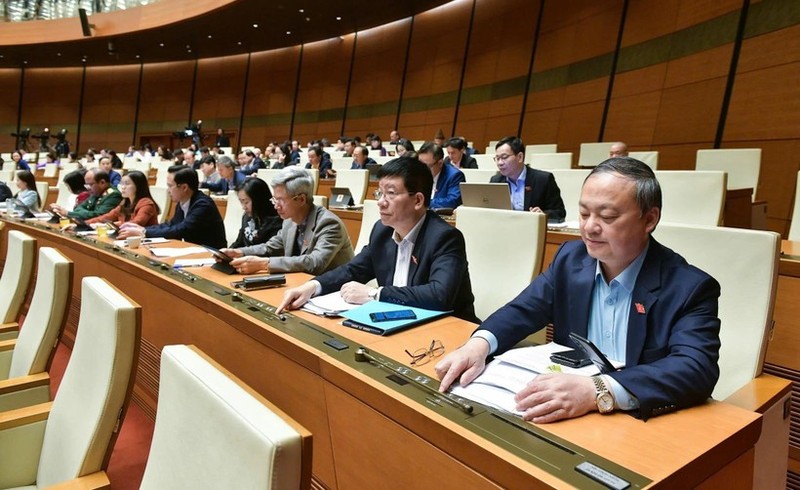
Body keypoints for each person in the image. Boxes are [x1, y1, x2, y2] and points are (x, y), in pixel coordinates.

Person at [436, 157, 722, 423]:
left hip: (638, 417)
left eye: (607, 217)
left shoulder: (688, 287)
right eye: (584, 214)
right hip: (568, 414)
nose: (590, 228)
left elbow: (695, 368)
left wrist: (597, 390)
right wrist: (479, 345)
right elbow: (524, 308)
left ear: (649, 220)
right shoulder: (571, 260)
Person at [276, 156, 478, 323]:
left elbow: (439, 295)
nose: (380, 202)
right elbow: (353, 270)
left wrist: (375, 295)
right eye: (379, 193)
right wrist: (312, 287)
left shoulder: (444, 237)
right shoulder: (382, 231)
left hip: (447, 329)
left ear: (418, 200)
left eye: (390, 193)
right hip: (395, 323)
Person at [221, 167, 354, 274]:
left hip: (336, 292)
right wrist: (239, 252)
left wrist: (264, 263)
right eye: (274, 199)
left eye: (281, 200)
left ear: (301, 199)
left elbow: (315, 263)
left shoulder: (329, 224)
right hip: (301, 286)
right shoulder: (289, 221)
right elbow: (270, 247)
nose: (275, 206)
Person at [118, 165, 226, 249]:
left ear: (184, 187)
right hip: (193, 250)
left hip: (210, 253)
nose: (168, 190)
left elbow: (181, 229)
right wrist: (143, 229)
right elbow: (172, 224)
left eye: (170, 186)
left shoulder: (202, 204)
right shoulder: (182, 201)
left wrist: (144, 232)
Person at [490, 136, 566, 221]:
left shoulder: (543, 180)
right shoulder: (496, 181)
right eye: (497, 158)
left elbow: (559, 212)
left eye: (504, 157)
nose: (500, 163)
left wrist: (542, 215)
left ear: (520, 157)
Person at [86, 170, 159, 227]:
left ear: (138, 186)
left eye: (127, 184)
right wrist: (85, 223)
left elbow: (136, 224)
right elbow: (106, 217)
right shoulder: (124, 202)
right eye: (121, 183)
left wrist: (110, 225)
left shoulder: (146, 203)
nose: (123, 187)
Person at [228, 178, 283, 248]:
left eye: (246, 202)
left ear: (258, 200)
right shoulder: (246, 217)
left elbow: (269, 250)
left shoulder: (276, 221)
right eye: (241, 202)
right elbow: (239, 242)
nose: (243, 207)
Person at [51, 169, 122, 220]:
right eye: (86, 185)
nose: (88, 188)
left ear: (102, 182)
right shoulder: (96, 192)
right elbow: (78, 208)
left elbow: (98, 215)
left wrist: (68, 213)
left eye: (90, 184)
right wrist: (88, 213)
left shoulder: (114, 195)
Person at [418, 141, 464, 209]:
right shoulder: (417, 173)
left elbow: (452, 201)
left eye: (426, 166)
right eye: (419, 165)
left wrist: (423, 202)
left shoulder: (454, 175)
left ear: (440, 163)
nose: (421, 170)